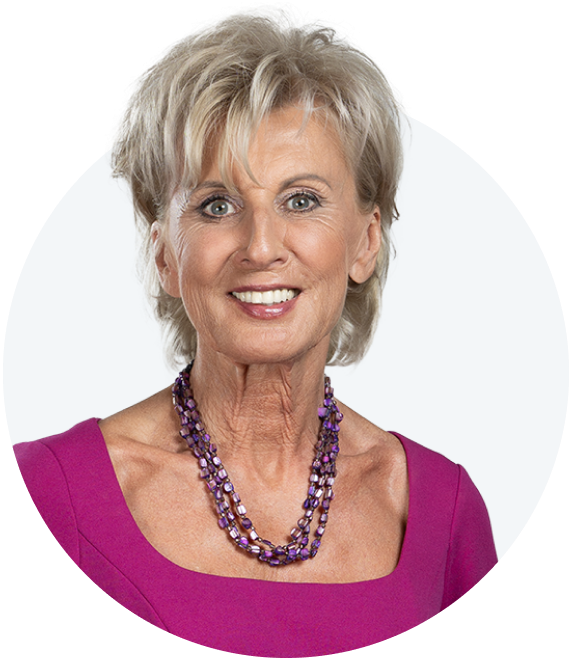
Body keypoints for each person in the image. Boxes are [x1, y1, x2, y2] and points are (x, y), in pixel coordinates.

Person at [13, 5, 497, 654]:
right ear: (165, 254)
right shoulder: (53, 492)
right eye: (217, 205)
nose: (261, 246)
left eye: (301, 200)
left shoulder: (444, 513)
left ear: (365, 241)